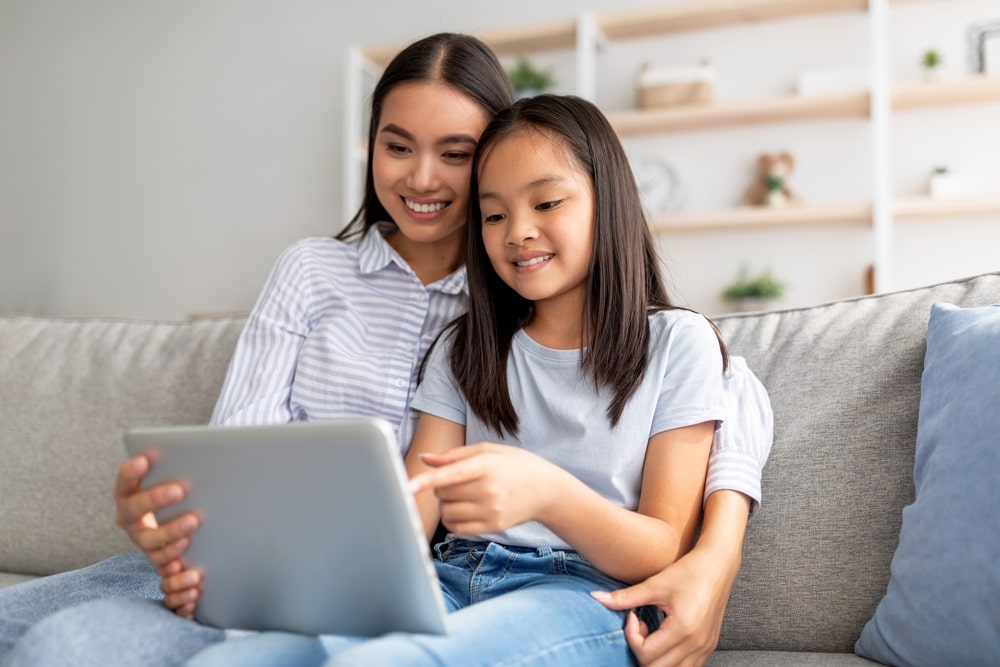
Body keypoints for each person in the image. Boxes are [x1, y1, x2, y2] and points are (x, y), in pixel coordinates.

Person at [0, 33, 770, 667]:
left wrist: (716, 556)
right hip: (302, 566)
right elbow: (331, 478)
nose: (424, 177)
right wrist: (180, 512)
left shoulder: (568, 314)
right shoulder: (399, 312)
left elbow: (728, 393)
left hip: (526, 588)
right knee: (53, 638)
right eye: (398, 146)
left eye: (458, 154)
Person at [179, 92, 737, 666]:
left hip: (583, 593)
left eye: (546, 203)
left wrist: (547, 493)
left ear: (610, 201)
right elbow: (411, 516)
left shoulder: (677, 343)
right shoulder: (465, 349)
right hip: (449, 575)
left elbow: (664, 546)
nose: (518, 231)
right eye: (494, 214)